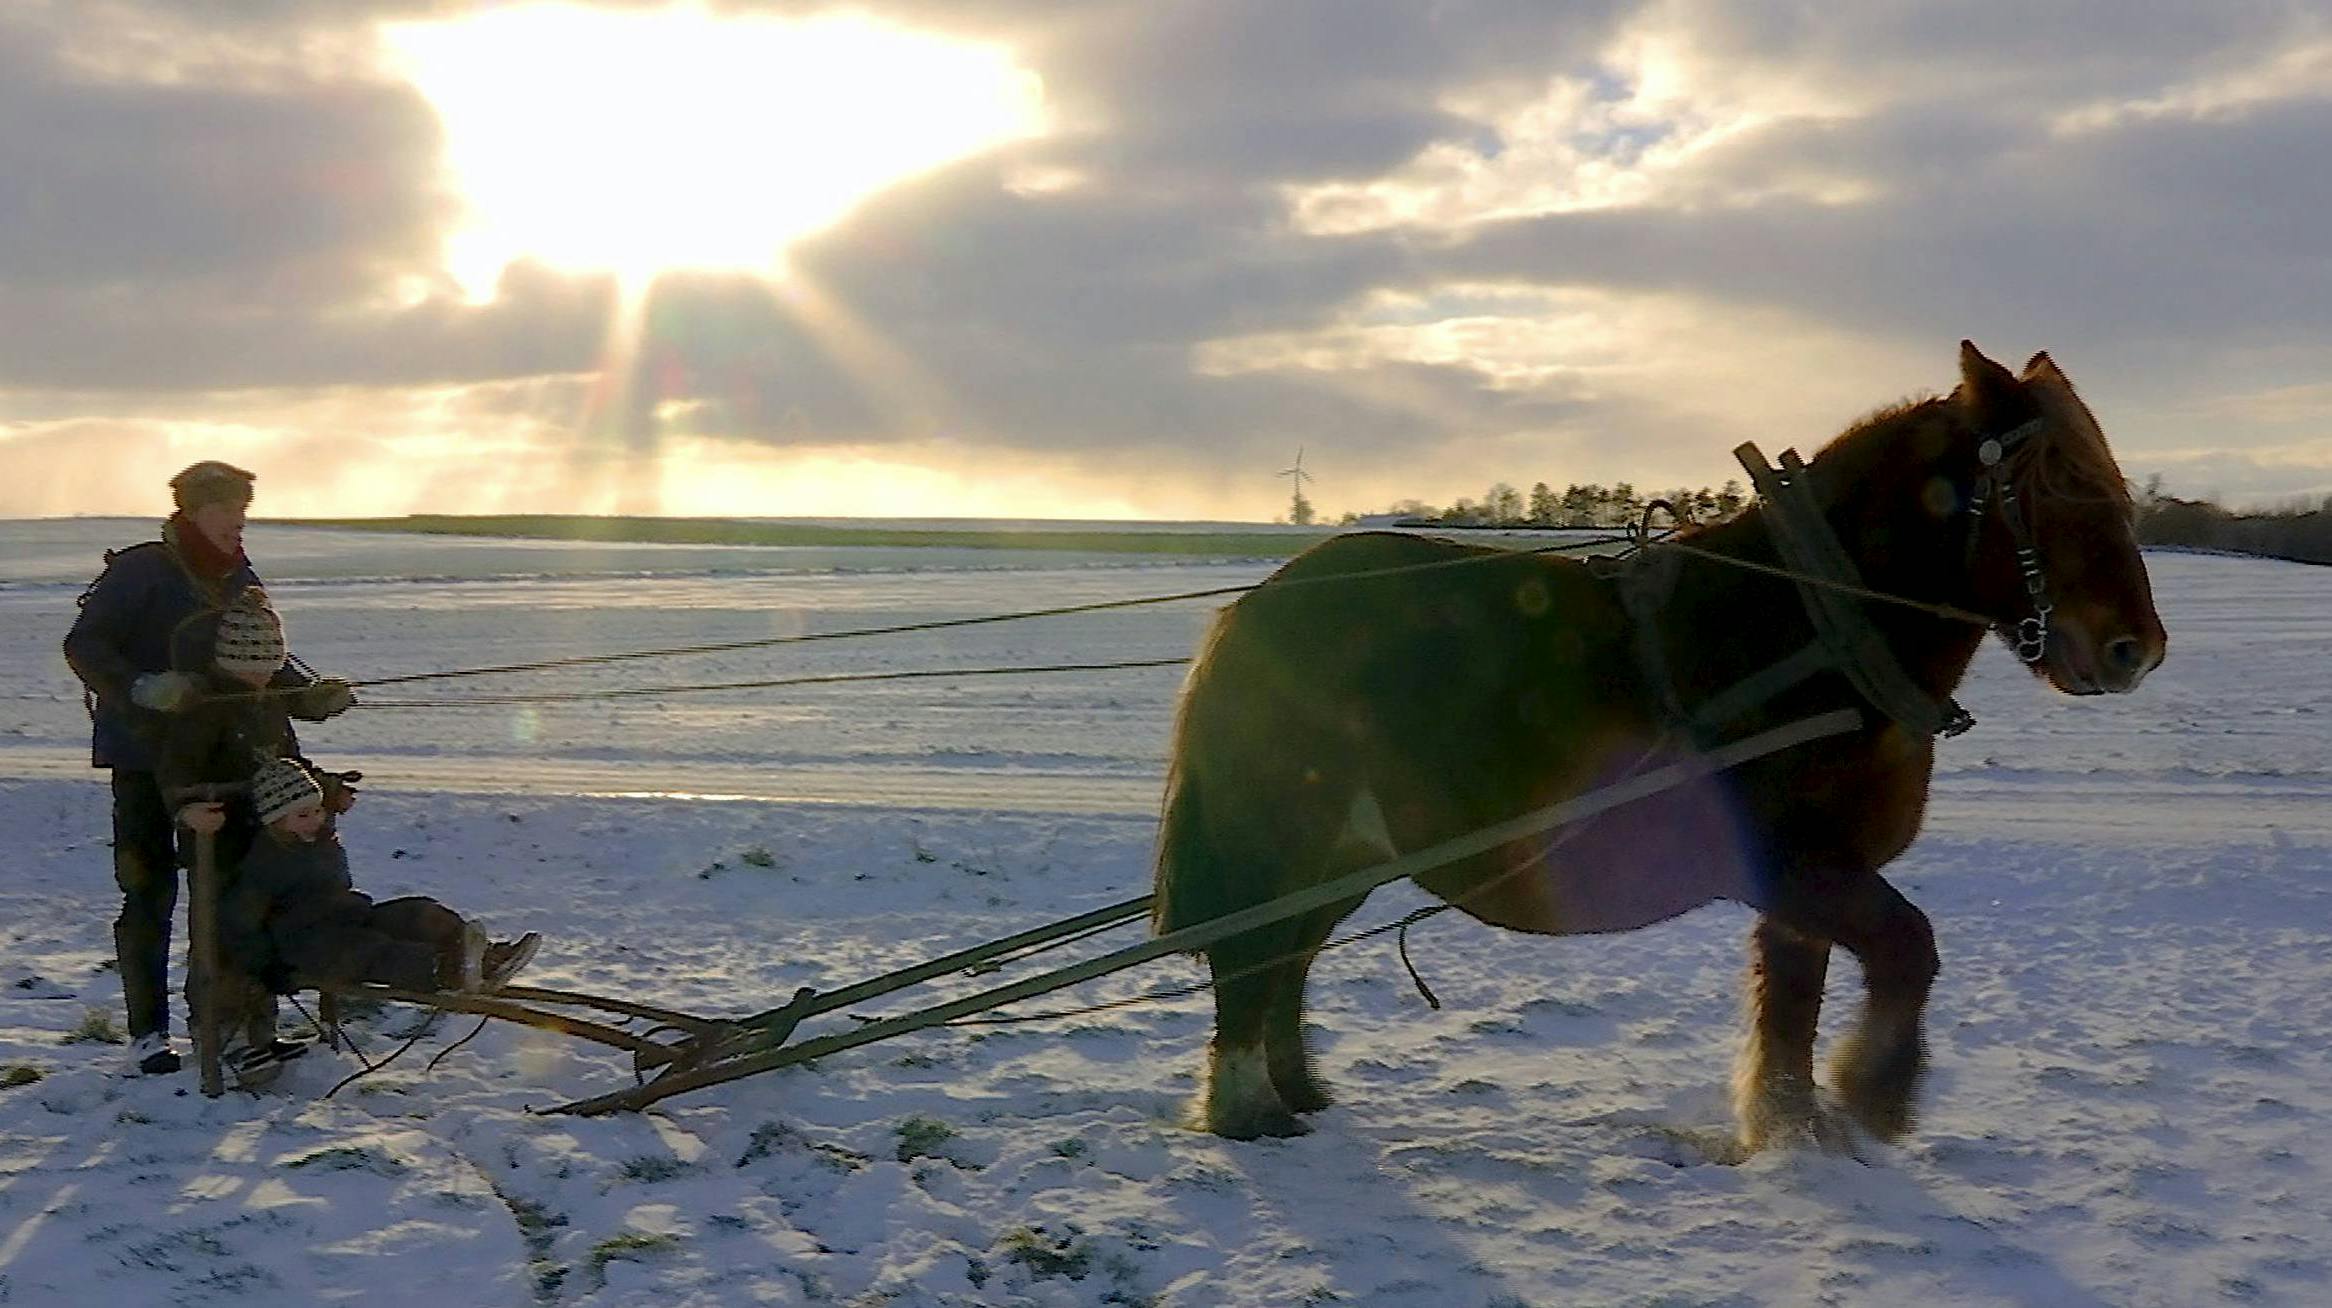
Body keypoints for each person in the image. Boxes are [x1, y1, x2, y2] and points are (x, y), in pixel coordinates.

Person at [61, 461, 355, 1075]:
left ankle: (234, 1026)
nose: (238, 522)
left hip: (229, 757)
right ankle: (148, 1034)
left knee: (232, 895)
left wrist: (307, 695)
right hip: (144, 757)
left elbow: (259, 655)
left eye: (244, 510)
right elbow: (83, 646)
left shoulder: (238, 574)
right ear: (192, 511)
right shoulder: (142, 569)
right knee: (149, 894)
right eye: (227, 511)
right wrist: (141, 686)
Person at [183, 758, 539, 1084]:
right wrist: (267, 967)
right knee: (371, 951)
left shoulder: (322, 842)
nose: (315, 819)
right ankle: (443, 970)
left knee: (414, 911)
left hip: (348, 917)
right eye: (302, 815)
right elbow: (240, 922)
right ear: (277, 821)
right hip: (306, 942)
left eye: (317, 810)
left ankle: (483, 957)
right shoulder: (265, 863)